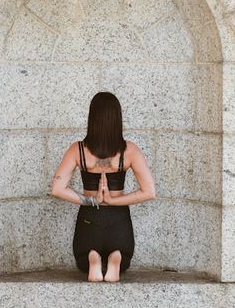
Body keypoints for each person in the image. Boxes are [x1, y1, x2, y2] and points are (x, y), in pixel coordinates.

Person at [51, 92, 156, 282]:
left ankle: (93, 258)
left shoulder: (78, 150)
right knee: (123, 258)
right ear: (117, 119)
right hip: (119, 222)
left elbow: (57, 188)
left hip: (89, 219)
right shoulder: (129, 151)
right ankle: (116, 257)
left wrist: (92, 200)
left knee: (83, 258)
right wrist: (112, 200)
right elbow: (149, 191)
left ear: (92, 118)